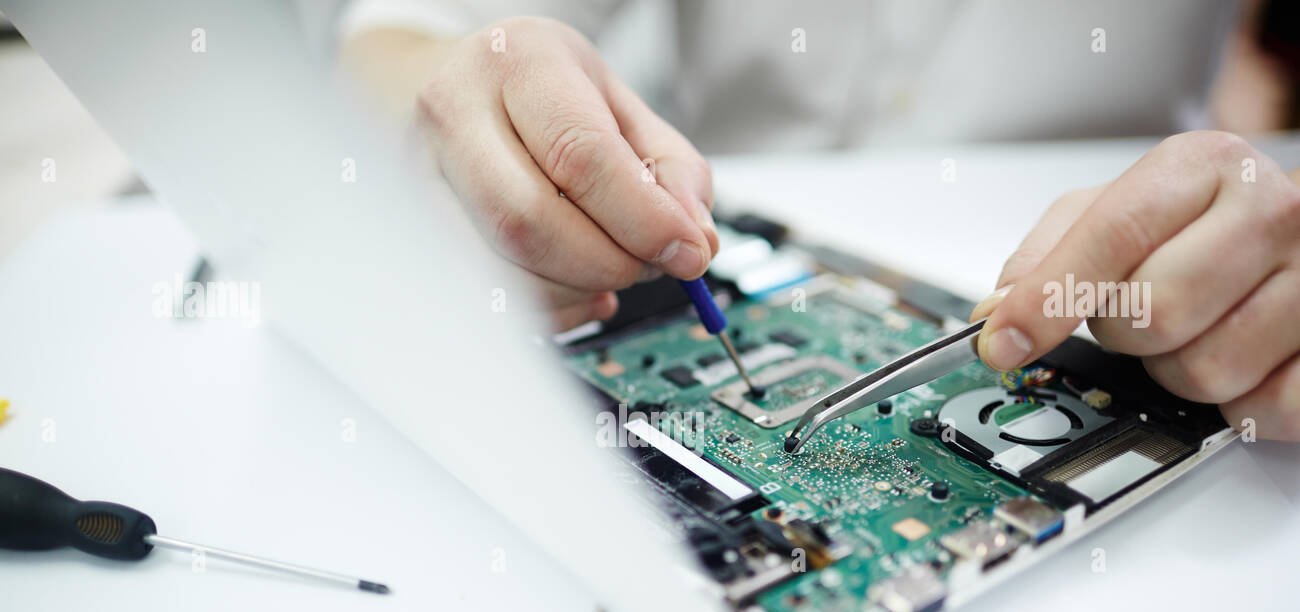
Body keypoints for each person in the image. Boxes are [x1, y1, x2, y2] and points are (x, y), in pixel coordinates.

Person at [338, 1, 1300, 439]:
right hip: (738, 225)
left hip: (1141, 288)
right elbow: (408, 30)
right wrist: (459, 102)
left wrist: (1269, 249)